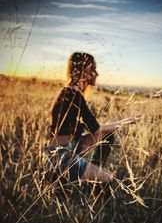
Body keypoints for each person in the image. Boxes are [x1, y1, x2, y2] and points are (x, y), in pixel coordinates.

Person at [45, 52, 142, 183]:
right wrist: (125, 122)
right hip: (62, 158)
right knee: (108, 178)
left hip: (69, 147)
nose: (97, 74)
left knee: (107, 135)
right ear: (83, 71)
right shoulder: (74, 95)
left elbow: (95, 128)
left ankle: (93, 170)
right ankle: (88, 186)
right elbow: (96, 129)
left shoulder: (70, 92)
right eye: (93, 69)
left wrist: (121, 122)